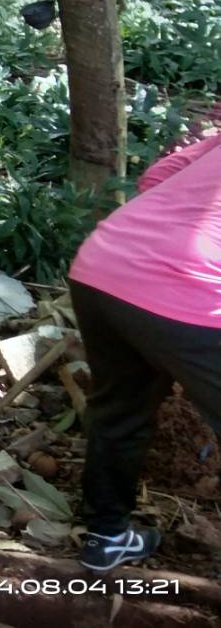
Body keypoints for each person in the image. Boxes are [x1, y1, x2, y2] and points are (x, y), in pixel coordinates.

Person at [69, 127, 221, 573]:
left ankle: (108, 536)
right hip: (187, 291)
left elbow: (157, 177)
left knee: (121, 410)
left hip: (105, 265)